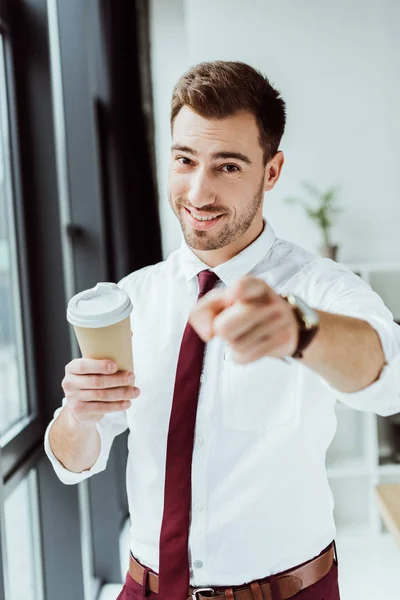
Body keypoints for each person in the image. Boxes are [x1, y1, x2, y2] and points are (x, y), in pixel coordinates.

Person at [45, 61, 400, 600]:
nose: (199, 191)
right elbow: (72, 464)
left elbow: (390, 378)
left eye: (228, 166)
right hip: (145, 589)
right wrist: (79, 414)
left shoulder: (323, 288)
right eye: (184, 160)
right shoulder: (132, 298)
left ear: (272, 171)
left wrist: (301, 332)